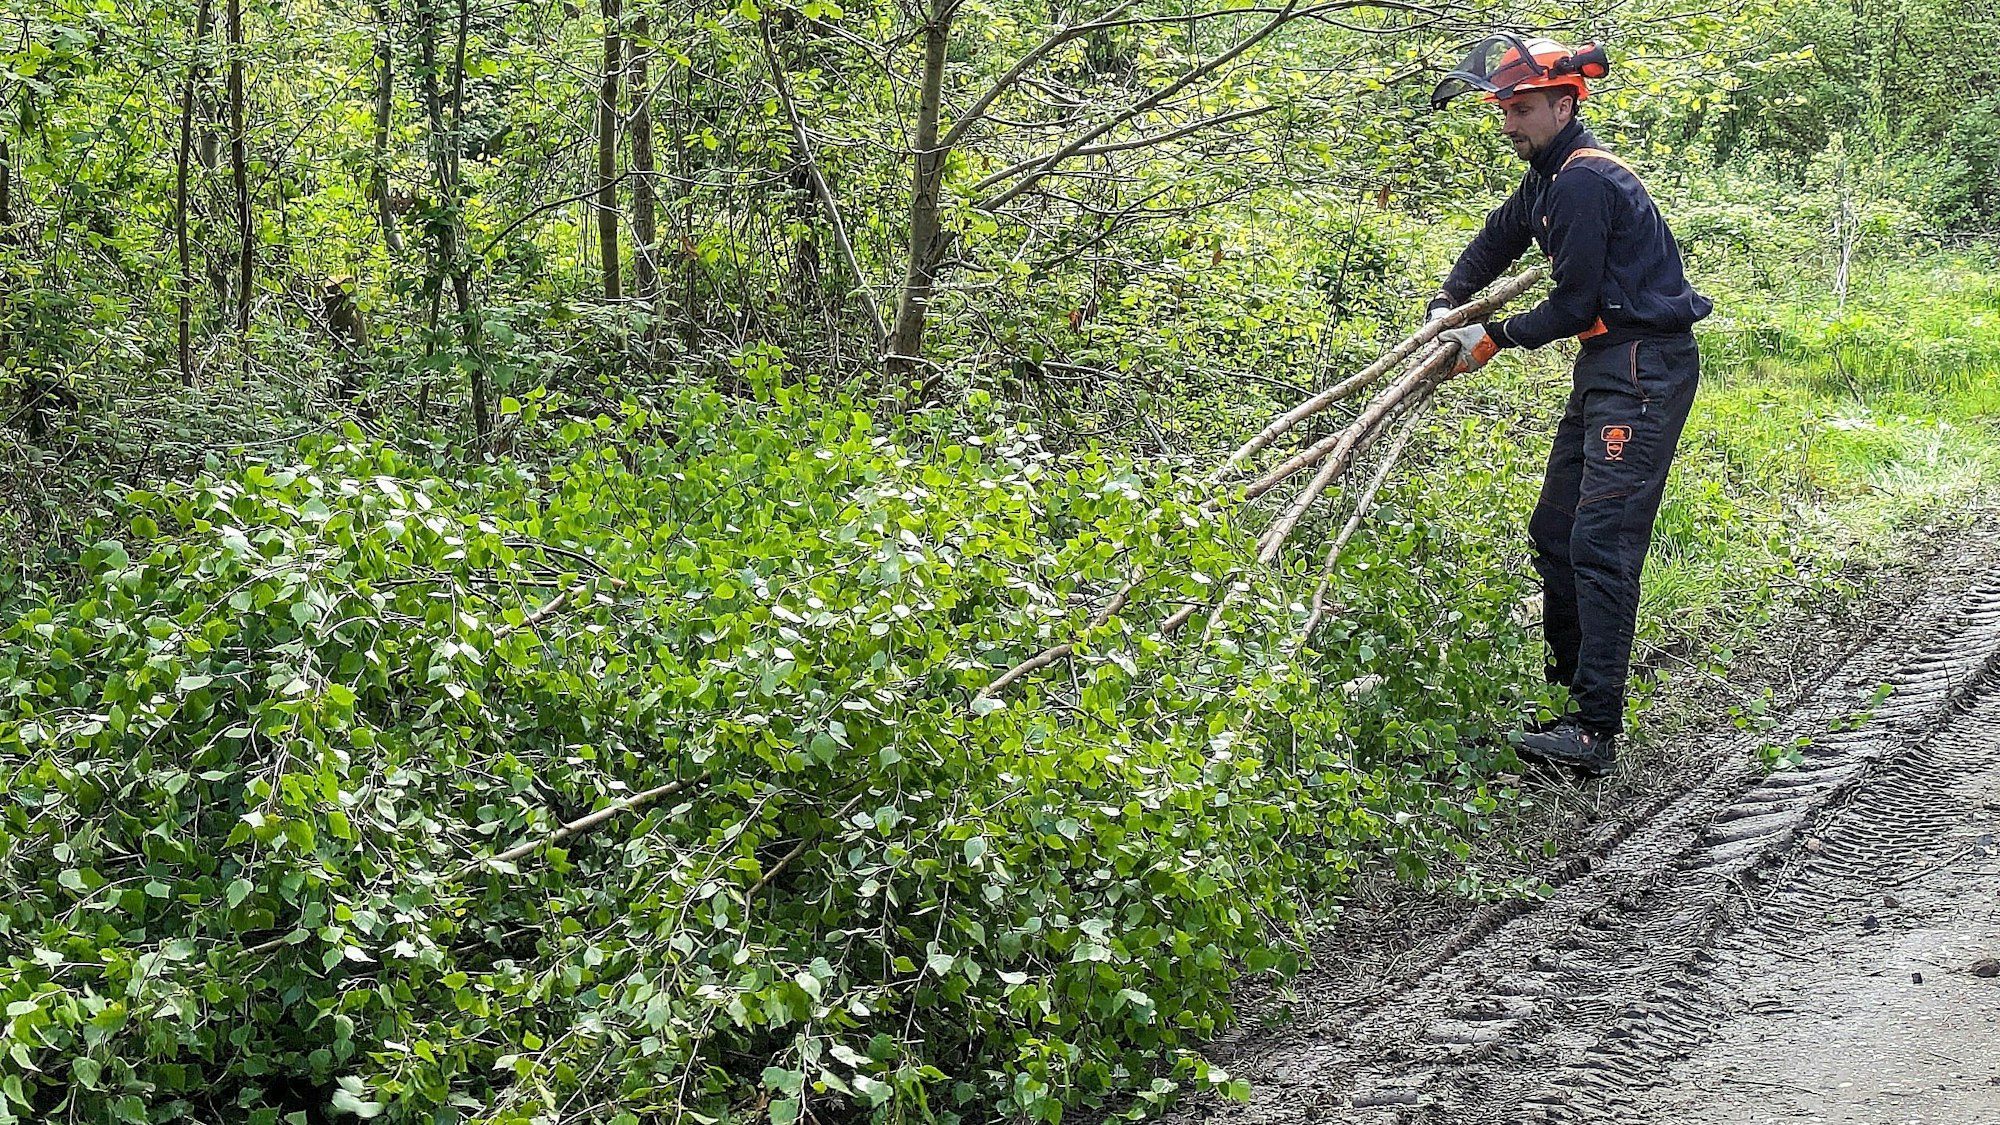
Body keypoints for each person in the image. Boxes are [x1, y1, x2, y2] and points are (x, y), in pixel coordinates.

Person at [1426, 35, 1714, 776]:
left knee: (1601, 542)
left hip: (1643, 367)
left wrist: (1488, 339)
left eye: (1521, 109)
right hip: (1608, 366)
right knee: (1555, 529)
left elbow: (1573, 301)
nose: (1509, 124)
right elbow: (1498, 237)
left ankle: (1594, 731)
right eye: (1503, 110)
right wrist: (1447, 301)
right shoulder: (1547, 181)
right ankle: (1571, 697)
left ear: (1564, 103)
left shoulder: (1585, 180)